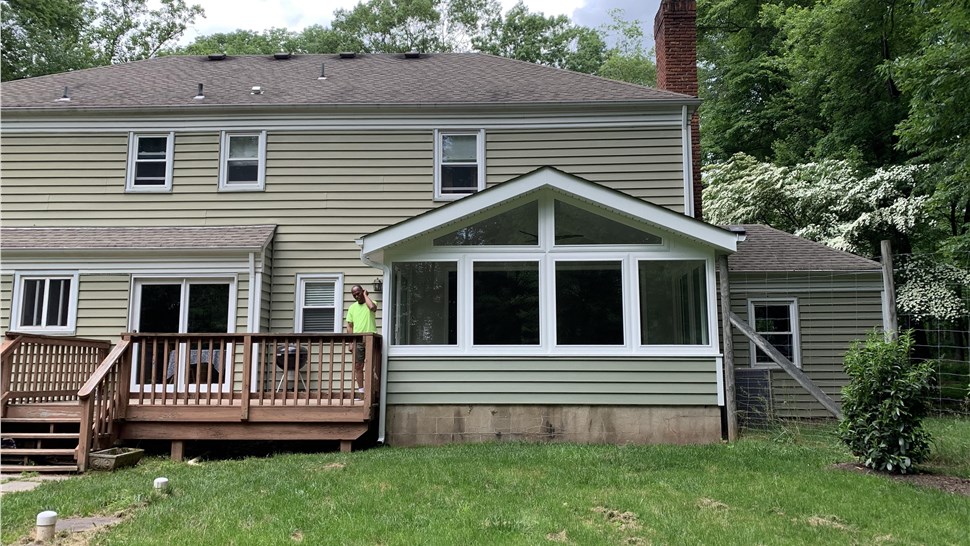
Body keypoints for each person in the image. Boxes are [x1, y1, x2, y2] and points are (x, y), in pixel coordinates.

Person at [345, 284, 377, 397]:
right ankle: (362, 392)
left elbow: (372, 307)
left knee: (371, 365)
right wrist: (350, 342)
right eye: (354, 295)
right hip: (357, 340)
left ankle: (371, 391)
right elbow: (349, 326)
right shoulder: (352, 308)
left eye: (358, 293)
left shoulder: (371, 302)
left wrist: (365, 295)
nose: (356, 296)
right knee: (358, 366)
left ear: (362, 291)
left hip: (370, 339)